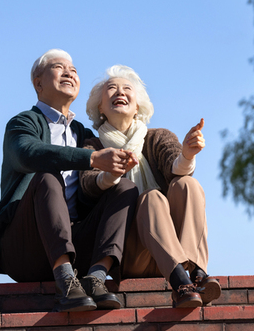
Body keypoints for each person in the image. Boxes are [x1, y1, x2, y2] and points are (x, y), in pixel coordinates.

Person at [0, 50, 139, 312]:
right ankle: (65, 280)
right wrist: (92, 159)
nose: (69, 72)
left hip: (78, 246)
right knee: (47, 175)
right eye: (59, 67)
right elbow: (28, 154)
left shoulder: (84, 135)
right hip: (26, 247)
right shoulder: (22, 123)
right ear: (38, 83)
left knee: (124, 187)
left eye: (74, 69)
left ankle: (96, 279)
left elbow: (91, 192)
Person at [80, 65, 221, 308]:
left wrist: (187, 155)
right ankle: (182, 283)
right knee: (152, 198)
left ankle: (196, 272)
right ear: (100, 107)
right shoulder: (92, 147)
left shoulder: (157, 137)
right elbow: (87, 185)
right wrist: (111, 174)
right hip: (131, 253)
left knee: (187, 184)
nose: (119, 92)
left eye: (127, 88)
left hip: (175, 248)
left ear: (138, 105)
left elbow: (173, 164)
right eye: (111, 88)